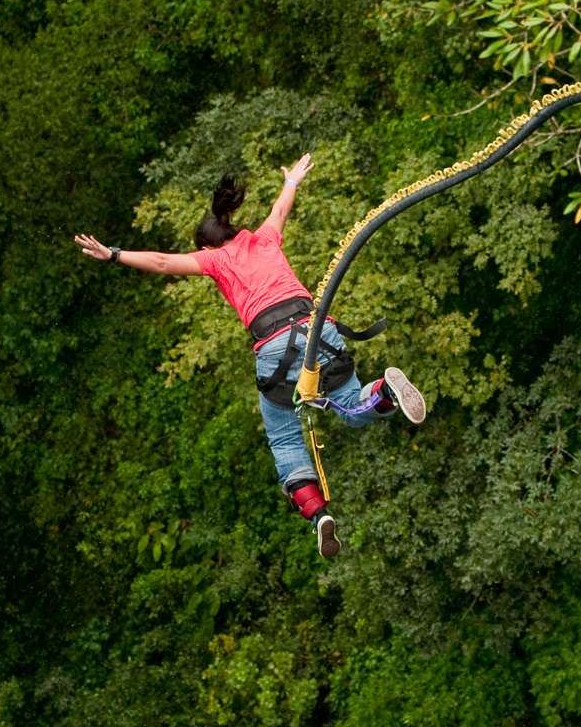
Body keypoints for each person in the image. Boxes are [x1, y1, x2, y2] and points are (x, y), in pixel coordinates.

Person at [72, 153, 426, 558]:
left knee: (284, 436)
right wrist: (291, 180)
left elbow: (163, 262)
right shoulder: (263, 237)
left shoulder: (214, 258)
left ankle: (319, 516)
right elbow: (279, 209)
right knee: (352, 402)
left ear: (207, 245)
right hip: (317, 329)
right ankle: (385, 392)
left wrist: (113, 254)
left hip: (275, 347)